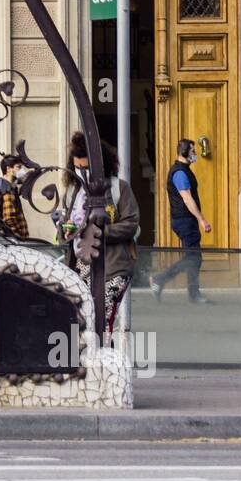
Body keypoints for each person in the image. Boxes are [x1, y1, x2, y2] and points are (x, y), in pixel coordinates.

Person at [57, 134, 140, 332]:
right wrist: (65, 229)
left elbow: (131, 224)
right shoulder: (72, 191)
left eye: (86, 169)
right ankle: (84, 360)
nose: (82, 173)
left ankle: (103, 358)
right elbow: (64, 226)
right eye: (77, 168)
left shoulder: (118, 188)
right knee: (79, 320)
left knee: (101, 319)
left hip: (113, 265)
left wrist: (98, 232)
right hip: (80, 266)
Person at [149, 138, 210, 304]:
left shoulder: (184, 170)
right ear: (184, 152)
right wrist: (202, 220)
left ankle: (193, 294)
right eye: (193, 151)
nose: (195, 154)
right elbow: (187, 199)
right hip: (184, 220)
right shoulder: (180, 172)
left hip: (184, 220)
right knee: (193, 258)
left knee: (193, 258)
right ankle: (159, 279)